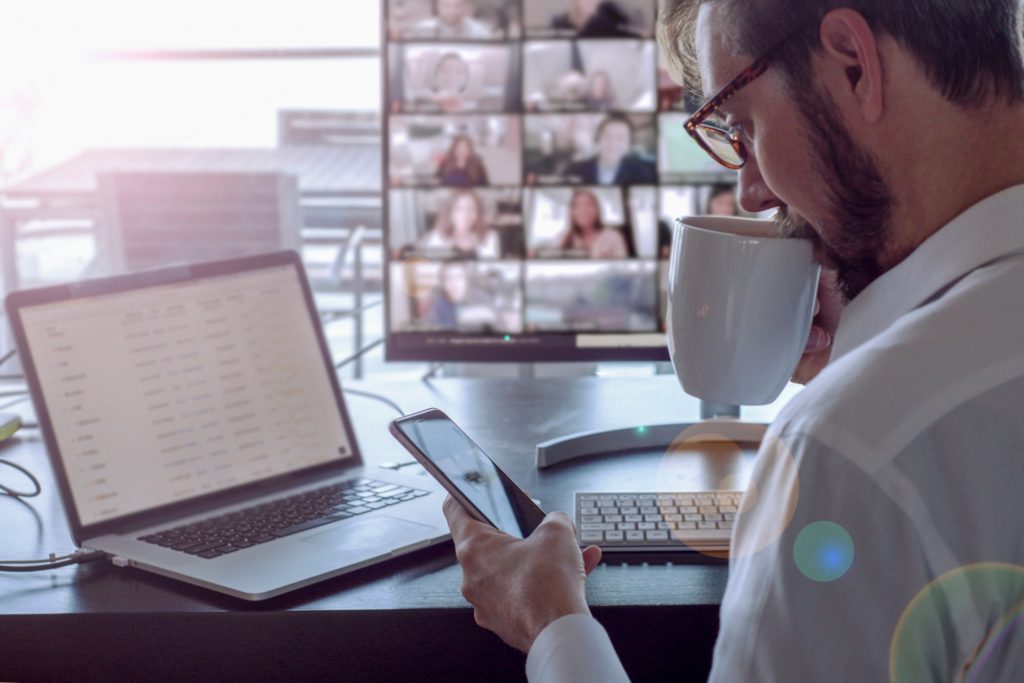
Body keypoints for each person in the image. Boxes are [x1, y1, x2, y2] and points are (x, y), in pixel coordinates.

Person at [444, 1, 1024, 681]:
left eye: (744, 128)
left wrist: (551, 623)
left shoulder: (849, 456)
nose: (750, 194)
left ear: (853, 64)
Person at [563, 114, 657, 185]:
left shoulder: (645, 173)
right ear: (598, 139)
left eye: (620, 138)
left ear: (629, 145)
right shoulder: (574, 170)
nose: (613, 144)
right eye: (607, 136)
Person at [418, 189, 500, 259]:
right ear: (450, 212)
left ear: (478, 213)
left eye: (471, 208)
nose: (465, 214)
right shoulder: (438, 237)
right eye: (459, 209)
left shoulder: (490, 237)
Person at [546, 190, 629, 259]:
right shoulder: (562, 237)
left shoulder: (613, 236)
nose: (584, 210)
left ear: (598, 210)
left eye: (589, 204)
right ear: (572, 212)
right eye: (578, 206)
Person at [406, 0, 492, 39]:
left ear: (464, 6)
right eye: (446, 5)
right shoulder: (420, 30)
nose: (452, 11)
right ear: (437, 6)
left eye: (457, 5)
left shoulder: (480, 31)